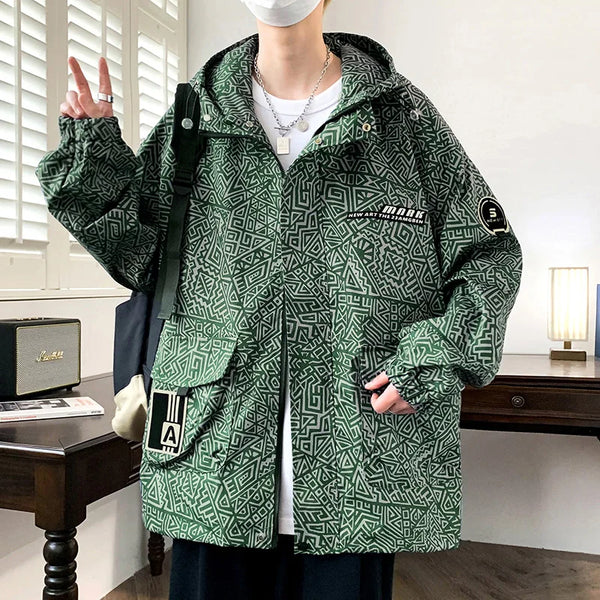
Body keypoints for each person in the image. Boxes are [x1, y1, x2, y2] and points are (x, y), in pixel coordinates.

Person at [35, 0, 523, 598]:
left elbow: (489, 256)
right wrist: (94, 160)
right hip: (212, 463)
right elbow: (139, 254)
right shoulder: (197, 116)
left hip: (360, 472)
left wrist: (430, 357)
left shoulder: (401, 119)